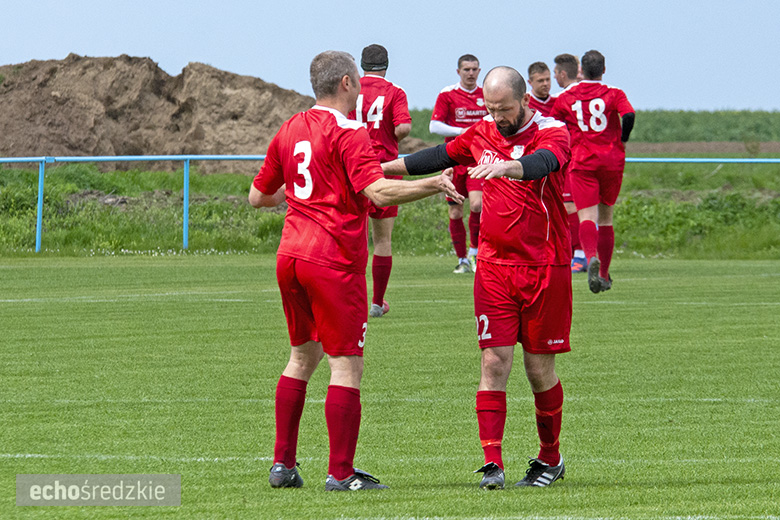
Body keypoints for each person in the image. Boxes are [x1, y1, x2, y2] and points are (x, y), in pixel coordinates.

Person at [249, 50, 462, 492]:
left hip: (290, 256)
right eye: (357, 82)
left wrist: (299, 203)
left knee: (301, 358)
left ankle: (283, 465)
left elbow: (258, 197)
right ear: (347, 82)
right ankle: (341, 473)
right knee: (346, 366)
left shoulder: (289, 128)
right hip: (332, 260)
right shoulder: (350, 130)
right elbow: (379, 193)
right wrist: (432, 184)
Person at [383, 66, 572, 489]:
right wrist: (381, 168)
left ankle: (550, 458)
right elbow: (437, 156)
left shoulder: (552, 130)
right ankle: (493, 463)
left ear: (523, 100)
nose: (497, 116)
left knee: (539, 370)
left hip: (545, 267)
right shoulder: (483, 132)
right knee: (493, 361)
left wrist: (510, 167)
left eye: (503, 108)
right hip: (493, 268)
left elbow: (547, 163)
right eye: (490, 108)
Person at [550, 50, 635, 293]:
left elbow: (553, 123)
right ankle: (605, 274)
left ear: (580, 71)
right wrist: (623, 138)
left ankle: (590, 257)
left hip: (582, 161)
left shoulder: (567, 97)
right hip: (611, 161)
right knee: (606, 218)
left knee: (586, 216)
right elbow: (628, 114)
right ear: (603, 70)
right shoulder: (614, 93)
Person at [347, 44, 412, 318]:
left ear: (361, 64)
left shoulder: (351, 89)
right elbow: (403, 128)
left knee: (355, 238)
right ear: (386, 64)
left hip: (355, 167)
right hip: (384, 168)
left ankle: (353, 299)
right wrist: (389, 135)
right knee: (382, 240)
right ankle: (377, 302)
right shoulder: (395, 91)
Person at [429, 54, 489, 273]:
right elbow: (434, 126)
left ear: (479, 71)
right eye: (466, 69)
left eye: (474, 69)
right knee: (455, 212)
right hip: (453, 161)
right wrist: (462, 131)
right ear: (458, 72)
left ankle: (475, 253)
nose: (471, 73)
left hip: (478, 160)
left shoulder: (487, 94)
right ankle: (462, 259)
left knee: (477, 205)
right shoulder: (448, 95)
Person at [553, 53, 588, 273]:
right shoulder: (590, 93)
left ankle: (579, 254)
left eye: (555, 73)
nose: (553, 77)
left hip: (574, 159)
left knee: (570, 207)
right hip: (595, 158)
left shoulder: (564, 98)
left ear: (562, 74)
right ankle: (586, 253)